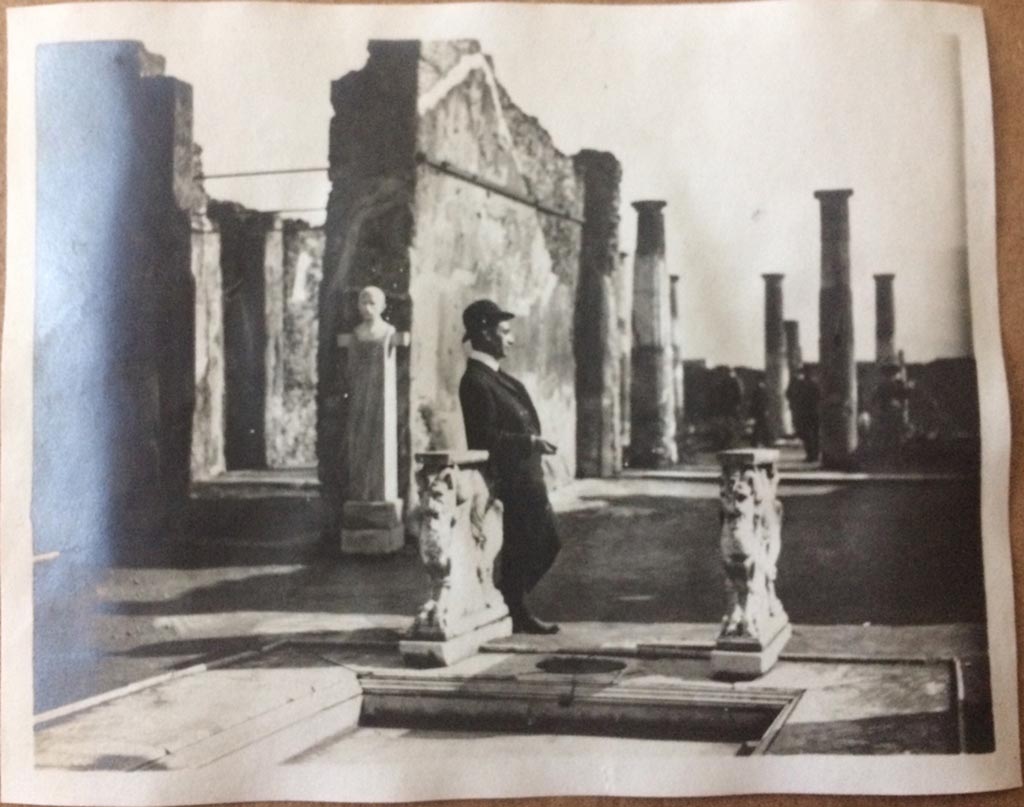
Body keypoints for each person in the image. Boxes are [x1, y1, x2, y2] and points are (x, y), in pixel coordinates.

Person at [458, 299, 560, 635]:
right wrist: (529, 443)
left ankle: (507, 605)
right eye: (505, 332)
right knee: (536, 542)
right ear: (486, 334)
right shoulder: (475, 381)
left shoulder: (500, 379)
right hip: (509, 480)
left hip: (526, 477)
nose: (511, 339)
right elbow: (483, 438)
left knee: (540, 543)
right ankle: (509, 605)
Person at [786, 368, 820, 462]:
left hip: (805, 413)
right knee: (815, 435)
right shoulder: (815, 384)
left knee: (807, 435)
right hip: (814, 412)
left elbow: (789, 394)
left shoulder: (800, 385)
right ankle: (815, 455)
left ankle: (811, 455)